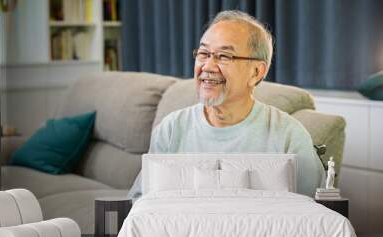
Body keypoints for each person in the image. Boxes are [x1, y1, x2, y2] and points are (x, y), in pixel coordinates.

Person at [128, 10, 323, 199]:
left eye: (224, 56)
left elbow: (314, 215)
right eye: (204, 53)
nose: (208, 66)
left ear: (256, 72)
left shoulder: (289, 136)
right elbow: (141, 202)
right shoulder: (171, 129)